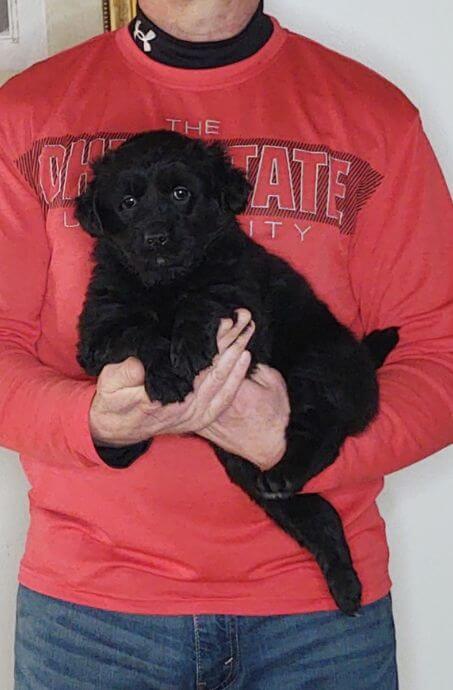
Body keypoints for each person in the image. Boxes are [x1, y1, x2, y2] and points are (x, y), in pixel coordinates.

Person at [1, 1, 452, 687]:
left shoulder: (374, 117)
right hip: (92, 618)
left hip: (316, 624)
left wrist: (295, 445)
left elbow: (440, 356)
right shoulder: (25, 113)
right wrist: (87, 421)